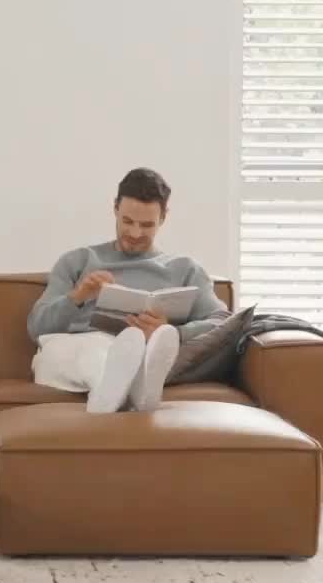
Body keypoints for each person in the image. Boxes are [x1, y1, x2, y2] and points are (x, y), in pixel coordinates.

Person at [27, 168, 228, 414]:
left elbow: (223, 322)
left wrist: (172, 331)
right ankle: (130, 388)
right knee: (63, 350)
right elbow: (36, 327)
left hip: (143, 351)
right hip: (77, 349)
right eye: (127, 221)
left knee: (135, 349)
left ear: (163, 218)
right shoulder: (77, 261)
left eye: (146, 225)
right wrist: (77, 297)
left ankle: (111, 394)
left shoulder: (185, 270)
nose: (135, 234)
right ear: (115, 208)